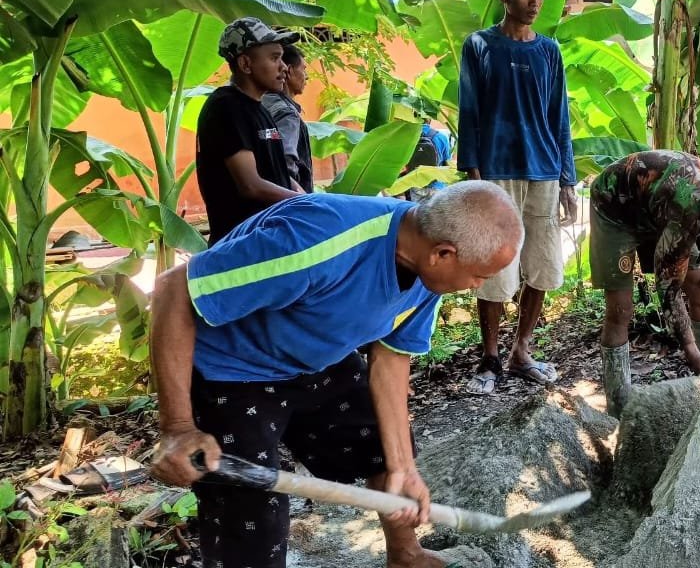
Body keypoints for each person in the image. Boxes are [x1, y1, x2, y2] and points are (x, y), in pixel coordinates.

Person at [148, 183, 523, 568]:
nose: (478, 286)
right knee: (251, 510)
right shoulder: (317, 241)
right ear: (443, 254)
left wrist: (403, 468)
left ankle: (406, 556)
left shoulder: (427, 266)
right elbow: (173, 288)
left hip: (318, 358)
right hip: (231, 369)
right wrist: (177, 426)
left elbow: (392, 359)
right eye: (479, 276)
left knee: (385, 448)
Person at [457, 0, 577, 395]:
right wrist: (472, 173)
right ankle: (489, 358)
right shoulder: (480, 46)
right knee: (493, 266)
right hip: (496, 170)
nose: (535, 1)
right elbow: (468, 111)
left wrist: (568, 177)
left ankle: (521, 351)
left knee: (542, 265)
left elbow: (558, 116)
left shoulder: (548, 51)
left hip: (543, 171)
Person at [589, 151, 700, 416]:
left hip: (658, 209)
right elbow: (668, 288)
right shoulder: (687, 206)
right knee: (621, 309)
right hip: (616, 209)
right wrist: (690, 349)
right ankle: (619, 408)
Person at [196, 18, 301, 244]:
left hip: (269, 240)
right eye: (274, 58)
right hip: (243, 246)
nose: (284, 67)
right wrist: (304, 204)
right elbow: (250, 185)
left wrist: (311, 200)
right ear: (245, 64)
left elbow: (279, 176)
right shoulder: (226, 108)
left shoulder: (259, 109)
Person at [261, 42, 313, 192]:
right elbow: (284, 165)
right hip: (287, 201)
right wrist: (300, 198)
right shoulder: (286, 114)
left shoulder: (260, 105)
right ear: (288, 71)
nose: (307, 76)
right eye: (303, 69)